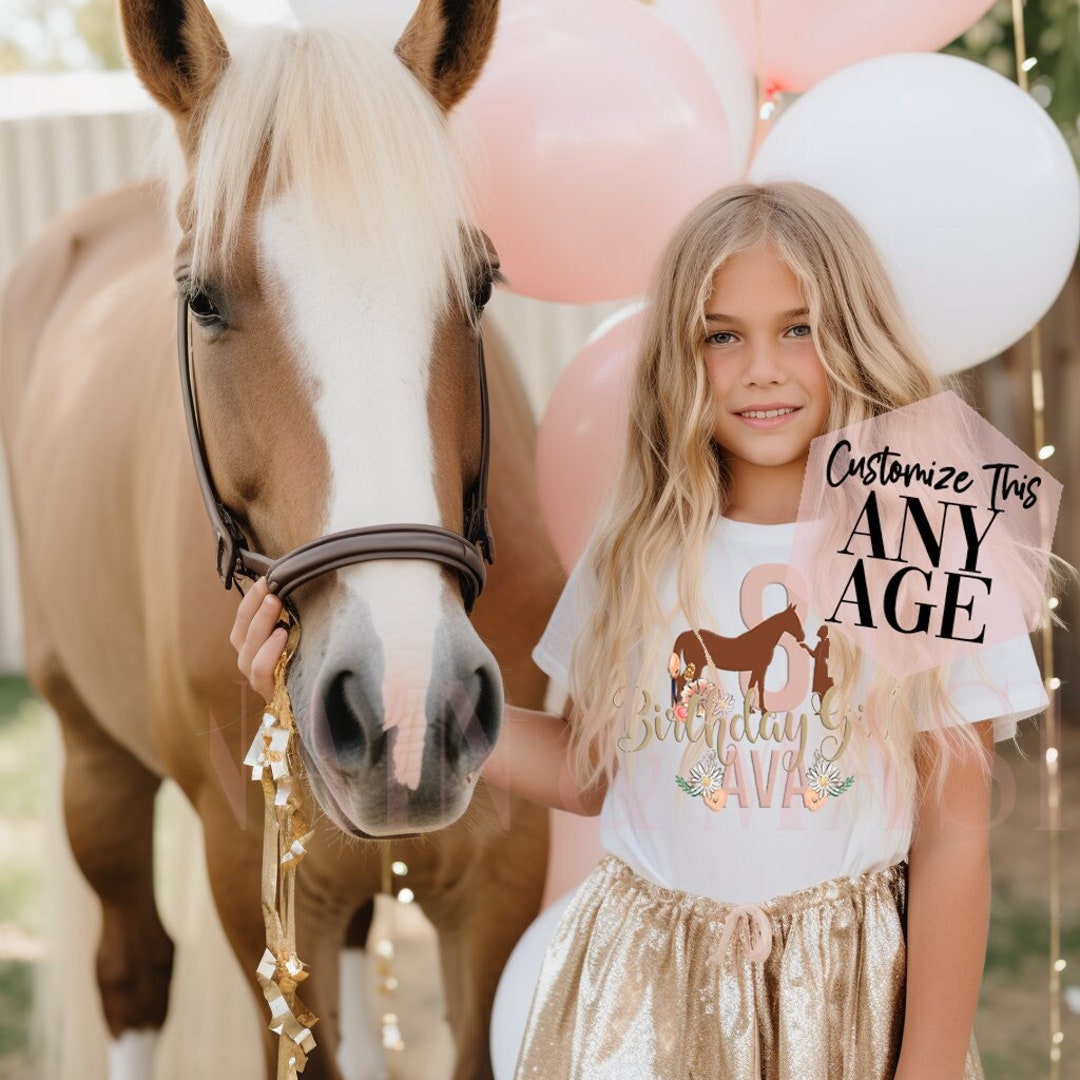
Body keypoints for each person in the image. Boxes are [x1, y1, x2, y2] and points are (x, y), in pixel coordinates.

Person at [232, 182, 1053, 1079]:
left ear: (854, 332)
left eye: (799, 328)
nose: (762, 368)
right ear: (680, 353)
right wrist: (415, 703)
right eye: (722, 335)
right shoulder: (640, 546)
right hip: (647, 998)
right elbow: (592, 772)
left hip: (846, 1005)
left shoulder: (919, 535)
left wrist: (926, 1070)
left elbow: (954, 835)